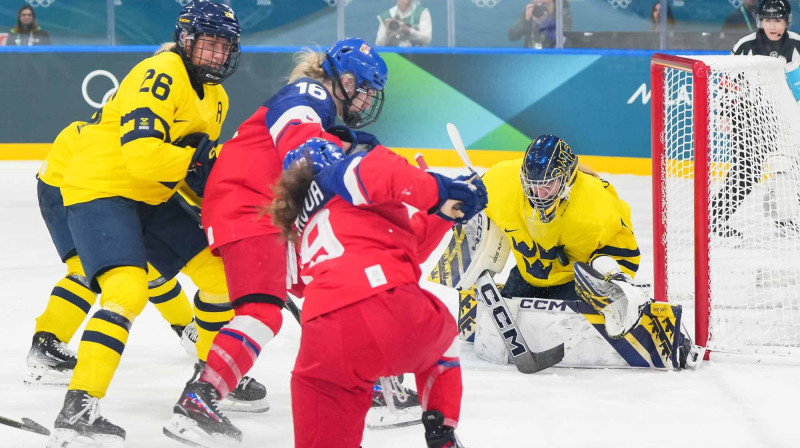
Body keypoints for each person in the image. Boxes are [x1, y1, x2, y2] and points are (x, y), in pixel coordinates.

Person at [162, 36, 388, 446]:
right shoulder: (309, 94)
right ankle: (200, 397)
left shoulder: (327, 119)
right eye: (366, 90)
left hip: (262, 208)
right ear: (347, 81)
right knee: (263, 311)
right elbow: (298, 130)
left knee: (327, 288)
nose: (367, 101)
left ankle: (363, 380)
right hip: (250, 205)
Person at [47, 1, 242, 446]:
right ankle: (78, 409)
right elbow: (142, 155)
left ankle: (204, 388)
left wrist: (224, 213)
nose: (217, 53)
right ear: (186, 39)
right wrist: (197, 165)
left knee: (222, 277)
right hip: (101, 188)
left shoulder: (217, 99)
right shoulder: (160, 72)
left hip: (153, 196)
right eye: (209, 43)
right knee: (127, 290)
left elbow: (193, 175)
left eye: (224, 45)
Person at [270, 136, 487, 448]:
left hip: (320, 339)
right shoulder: (342, 176)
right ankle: (442, 433)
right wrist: (443, 192)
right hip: (385, 304)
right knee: (444, 337)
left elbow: (294, 284)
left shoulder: (293, 227)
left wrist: (443, 212)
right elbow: (381, 170)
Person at [27, 118, 198, 387]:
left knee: (144, 262)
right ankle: (46, 343)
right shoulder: (141, 131)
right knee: (87, 266)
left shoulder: (141, 123)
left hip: (97, 182)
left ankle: (188, 328)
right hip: (70, 186)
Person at [481, 135, 641, 301]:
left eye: (548, 185)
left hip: (573, 282)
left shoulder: (597, 204)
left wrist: (609, 292)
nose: (539, 195)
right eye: (533, 185)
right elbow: (470, 211)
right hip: (528, 275)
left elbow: (625, 256)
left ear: (567, 177)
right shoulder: (500, 182)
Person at [713, 0, 800, 238]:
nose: (772, 25)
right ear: (760, 21)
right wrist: (724, 112)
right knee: (746, 173)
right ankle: (715, 219)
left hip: (784, 116)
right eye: (768, 20)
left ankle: (784, 217)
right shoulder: (745, 45)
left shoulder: (797, 44)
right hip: (748, 115)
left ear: (787, 21)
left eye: (778, 20)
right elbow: (729, 82)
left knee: (788, 168)